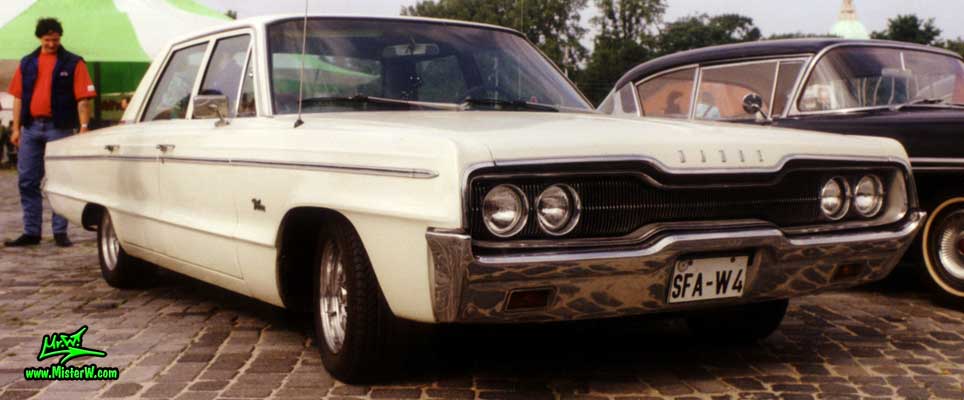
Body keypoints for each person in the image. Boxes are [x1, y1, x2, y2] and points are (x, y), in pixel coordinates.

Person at [4, 18, 96, 248]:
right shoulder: (27, 63)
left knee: (59, 179)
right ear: (39, 39)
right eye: (47, 40)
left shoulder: (73, 63)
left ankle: (59, 232)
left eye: (55, 40)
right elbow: (18, 97)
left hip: (60, 127)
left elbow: (83, 99)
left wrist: (84, 127)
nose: (52, 44)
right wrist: (16, 128)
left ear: (60, 38)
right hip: (32, 127)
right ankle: (31, 231)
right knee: (27, 180)